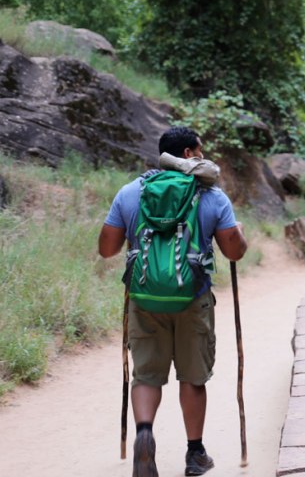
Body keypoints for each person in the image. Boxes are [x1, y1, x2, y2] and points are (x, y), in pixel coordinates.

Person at [98, 126, 248, 477]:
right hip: (193, 299)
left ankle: (145, 435)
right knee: (193, 377)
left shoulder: (131, 192)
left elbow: (107, 249)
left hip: (144, 298)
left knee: (146, 375)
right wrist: (238, 231)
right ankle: (195, 454)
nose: (204, 156)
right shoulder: (211, 195)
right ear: (187, 154)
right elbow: (234, 252)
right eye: (201, 150)